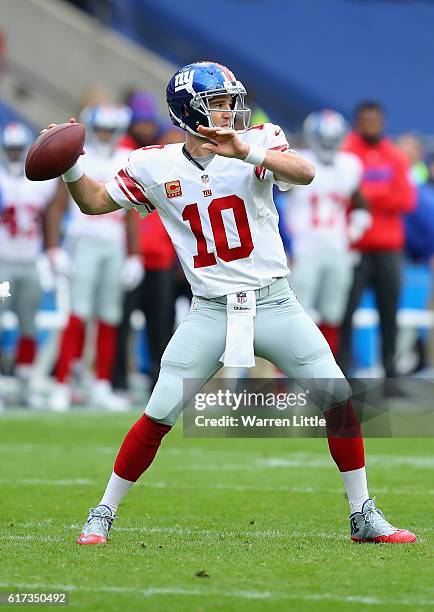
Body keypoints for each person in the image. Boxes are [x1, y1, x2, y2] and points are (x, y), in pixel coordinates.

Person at [43, 62, 416, 545]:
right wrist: (71, 164)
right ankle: (102, 512)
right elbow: (94, 202)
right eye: (218, 103)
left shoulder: (259, 139)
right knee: (159, 412)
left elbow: (304, 174)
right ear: (189, 111)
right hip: (211, 308)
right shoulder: (154, 164)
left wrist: (248, 150)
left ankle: (363, 513)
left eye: (230, 101)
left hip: (275, 301)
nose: (229, 111)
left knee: (340, 401)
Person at [45, 104, 144, 411]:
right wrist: (53, 247)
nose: (104, 135)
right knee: (77, 314)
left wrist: (134, 255)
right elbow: (58, 204)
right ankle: (62, 384)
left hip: (112, 244)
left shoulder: (125, 159)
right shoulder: (78, 155)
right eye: (100, 128)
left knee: (110, 317)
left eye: (109, 129)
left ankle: (100, 384)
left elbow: (129, 210)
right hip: (83, 240)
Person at [338, 102, 416, 380]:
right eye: (365, 120)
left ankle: (391, 376)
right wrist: (382, 193)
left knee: (389, 315)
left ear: (382, 123)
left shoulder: (395, 156)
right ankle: (343, 375)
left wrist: (365, 194)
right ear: (358, 122)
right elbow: (343, 197)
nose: (370, 124)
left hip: (388, 250)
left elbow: (407, 199)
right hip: (354, 249)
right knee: (344, 315)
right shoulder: (345, 154)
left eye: (375, 120)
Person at [283, 110, 371, 357]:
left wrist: (357, 225)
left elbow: (360, 200)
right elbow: (276, 200)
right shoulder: (298, 159)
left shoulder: (349, 164)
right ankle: (284, 383)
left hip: (337, 249)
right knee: (296, 315)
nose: (328, 144)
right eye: (324, 138)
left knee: (333, 314)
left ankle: (324, 378)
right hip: (303, 250)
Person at [112, 96, 179, 394]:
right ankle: (117, 380)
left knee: (160, 324)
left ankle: (158, 379)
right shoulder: (125, 154)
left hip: (162, 256)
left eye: (149, 122)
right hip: (131, 256)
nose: (145, 127)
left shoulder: (162, 158)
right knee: (120, 322)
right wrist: (132, 253)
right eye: (141, 122)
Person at [0, 122, 62, 407]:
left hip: (30, 262)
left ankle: (25, 382)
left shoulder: (40, 181)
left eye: (17, 149)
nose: (13, 155)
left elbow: (53, 210)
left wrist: (52, 251)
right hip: (3, 265)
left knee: (28, 323)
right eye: (9, 149)